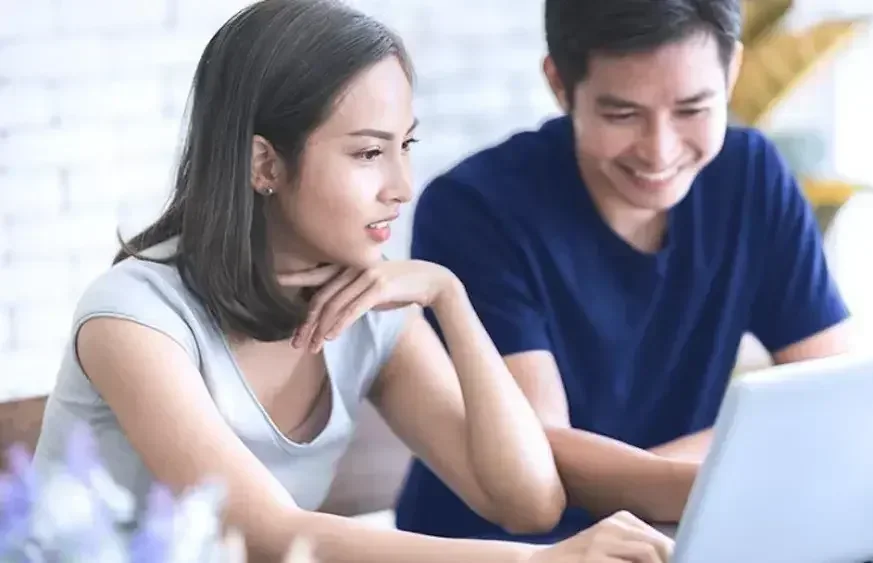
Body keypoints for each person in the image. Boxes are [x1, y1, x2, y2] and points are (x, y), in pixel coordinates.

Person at [30, 1, 674, 561]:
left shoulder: (371, 306)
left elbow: (527, 501)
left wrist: (449, 297)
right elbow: (267, 535)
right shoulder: (133, 318)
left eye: (405, 147)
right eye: (369, 153)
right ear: (264, 163)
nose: (401, 188)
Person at [396, 0, 853, 544]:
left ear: (731, 74)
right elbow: (540, 458)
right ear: (560, 84)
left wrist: (672, 483)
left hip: (677, 531)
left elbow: (830, 396)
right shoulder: (474, 210)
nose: (660, 151)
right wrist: (728, 472)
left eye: (692, 110)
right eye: (622, 114)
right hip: (501, 548)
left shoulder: (751, 174)